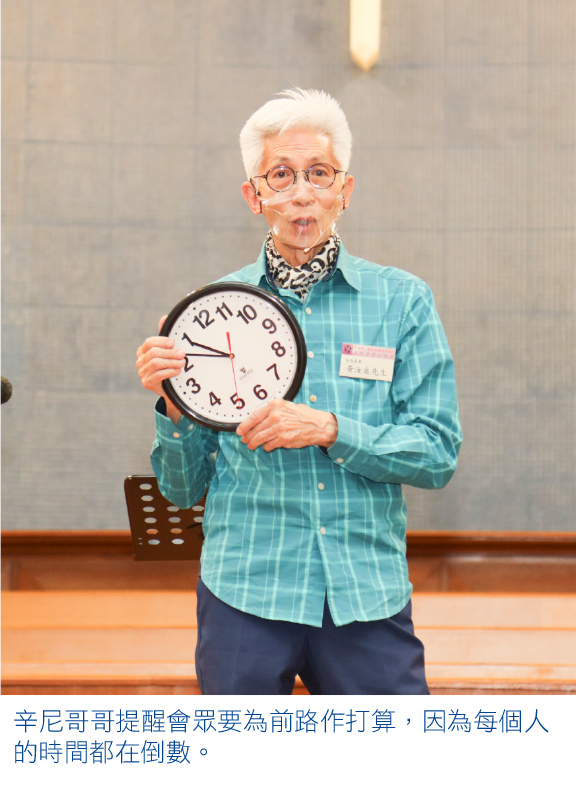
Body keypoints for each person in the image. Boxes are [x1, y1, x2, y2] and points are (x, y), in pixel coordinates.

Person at [136, 88, 462, 695]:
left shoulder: (402, 301)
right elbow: (181, 489)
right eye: (280, 175)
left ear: (345, 189)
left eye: (319, 173)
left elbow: (438, 452)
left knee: (399, 751)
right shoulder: (209, 313)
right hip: (244, 593)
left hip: (365, 592)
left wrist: (330, 430)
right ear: (253, 196)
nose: (302, 193)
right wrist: (173, 402)